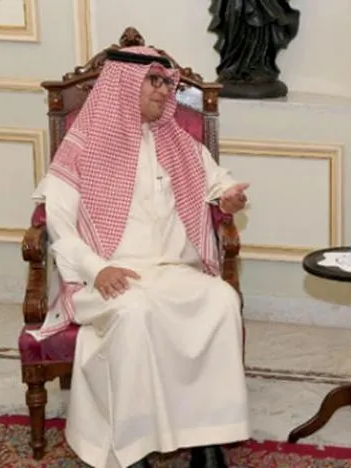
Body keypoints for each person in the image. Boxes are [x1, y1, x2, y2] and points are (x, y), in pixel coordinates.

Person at [29, 46, 251, 468]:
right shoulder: (82, 147)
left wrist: (228, 196)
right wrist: (97, 269)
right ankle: (132, 449)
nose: (164, 91)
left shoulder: (178, 142)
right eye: (154, 81)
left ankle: (208, 441)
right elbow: (58, 224)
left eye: (167, 82)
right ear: (124, 85)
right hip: (107, 275)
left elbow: (217, 181)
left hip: (172, 270)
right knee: (134, 312)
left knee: (221, 300)